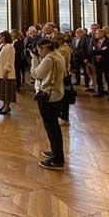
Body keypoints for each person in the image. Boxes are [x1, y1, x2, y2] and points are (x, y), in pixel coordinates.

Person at [31, 39, 66, 170]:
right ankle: (56, 152)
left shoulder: (48, 60)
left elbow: (36, 74)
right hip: (56, 93)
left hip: (48, 95)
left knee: (51, 127)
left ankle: (57, 160)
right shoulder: (58, 55)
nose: (38, 52)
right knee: (53, 126)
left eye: (39, 49)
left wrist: (34, 60)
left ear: (45, 48)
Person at [90, 28, 109, 99]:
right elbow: (91, 51)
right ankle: (100, 92)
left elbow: (106, 51)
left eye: (97, 33)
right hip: (97, 63)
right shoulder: (95, 41)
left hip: (106, 63)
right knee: (98, 78)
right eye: (95, 33)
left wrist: (97, 51)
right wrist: (100, 50)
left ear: (102, 34)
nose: (96, 35)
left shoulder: (108, 42)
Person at [0, 31, 16, 115]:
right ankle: (3, 105)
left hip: (6, 73)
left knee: (7, 90)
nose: (0, 38)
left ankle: (7, 106)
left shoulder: (10, 47)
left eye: (1, 36)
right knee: (3, 90)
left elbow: (9, 60)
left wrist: (6, 70)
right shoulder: (1, 46)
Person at [53, 33, 72, 126]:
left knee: (64, 97)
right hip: (59, 75)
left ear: (60, 40)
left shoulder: (64, 49)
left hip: (63, 75)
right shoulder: (58, 48)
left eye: (54, 39)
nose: (52, 41)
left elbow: (61, 62)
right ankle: (60, 115)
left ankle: (64, 117)